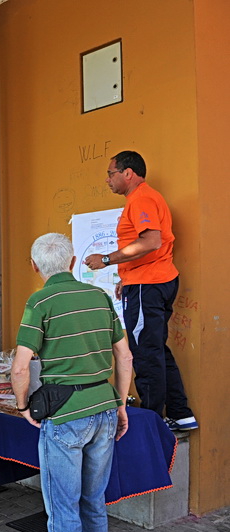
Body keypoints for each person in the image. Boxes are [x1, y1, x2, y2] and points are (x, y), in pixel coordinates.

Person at [13, 233, 132, 532]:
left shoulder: (39, 302)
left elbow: (20, 367)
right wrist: (121, 404)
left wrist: (22, 406)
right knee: (93, 500)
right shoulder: (100, 297)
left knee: (63, 507)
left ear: (34, 266)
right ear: (74, 261)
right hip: (103, 408)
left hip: (65, 416)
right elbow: (125, 356)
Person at [84, 150, 197, 432]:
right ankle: (180, 413)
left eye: (110, 173)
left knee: (145, 352)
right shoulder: (142, 199)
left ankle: (151, 422)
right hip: (149, 280)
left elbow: (151, 241)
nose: (107, 180)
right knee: (155, 348)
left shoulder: (142, 198)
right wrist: (128, 276)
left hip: (149, 284)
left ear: (128, 173)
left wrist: (106, 259)